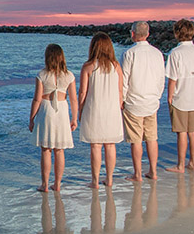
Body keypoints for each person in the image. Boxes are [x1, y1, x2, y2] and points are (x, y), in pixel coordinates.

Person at [120, 21, 166, 180]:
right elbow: (161, 79)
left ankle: (138, 173)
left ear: (132, 33)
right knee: (152, 138)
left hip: (134, 102)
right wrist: (157, 96)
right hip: (152, 101)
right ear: (148, 34)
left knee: (136, 140)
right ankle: (153, 171)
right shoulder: (157, 53)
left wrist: (122, 100)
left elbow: (124, 80)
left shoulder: (129, 53)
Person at [29, 43, 78, 192]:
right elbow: (74, 99)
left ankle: (44, 184)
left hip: (46, 109)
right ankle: (57, 184)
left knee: (46, 149)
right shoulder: (69, 75)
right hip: (62, 110)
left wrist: (31, 118)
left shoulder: (42, 75)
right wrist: (74, 118)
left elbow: (37, 99)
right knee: (59, 150)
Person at [78, 32, 124, 189]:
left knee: (95, 147)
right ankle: (109, 179)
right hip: (112, 110)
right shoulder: (116, 66)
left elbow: (83, 93)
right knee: (110, 145)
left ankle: (95, 181)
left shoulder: (88, 66)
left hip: (94, 110)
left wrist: (80, 111)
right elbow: (120, 91)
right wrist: (118, 107)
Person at [164, 19, 194, 173]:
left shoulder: (175, 53)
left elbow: (172, 78)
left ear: (177, 33)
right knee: (193, 131)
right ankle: (193, 163)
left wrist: (169, 97)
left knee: (182, 132)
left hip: (180, 97)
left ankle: (181, 165)